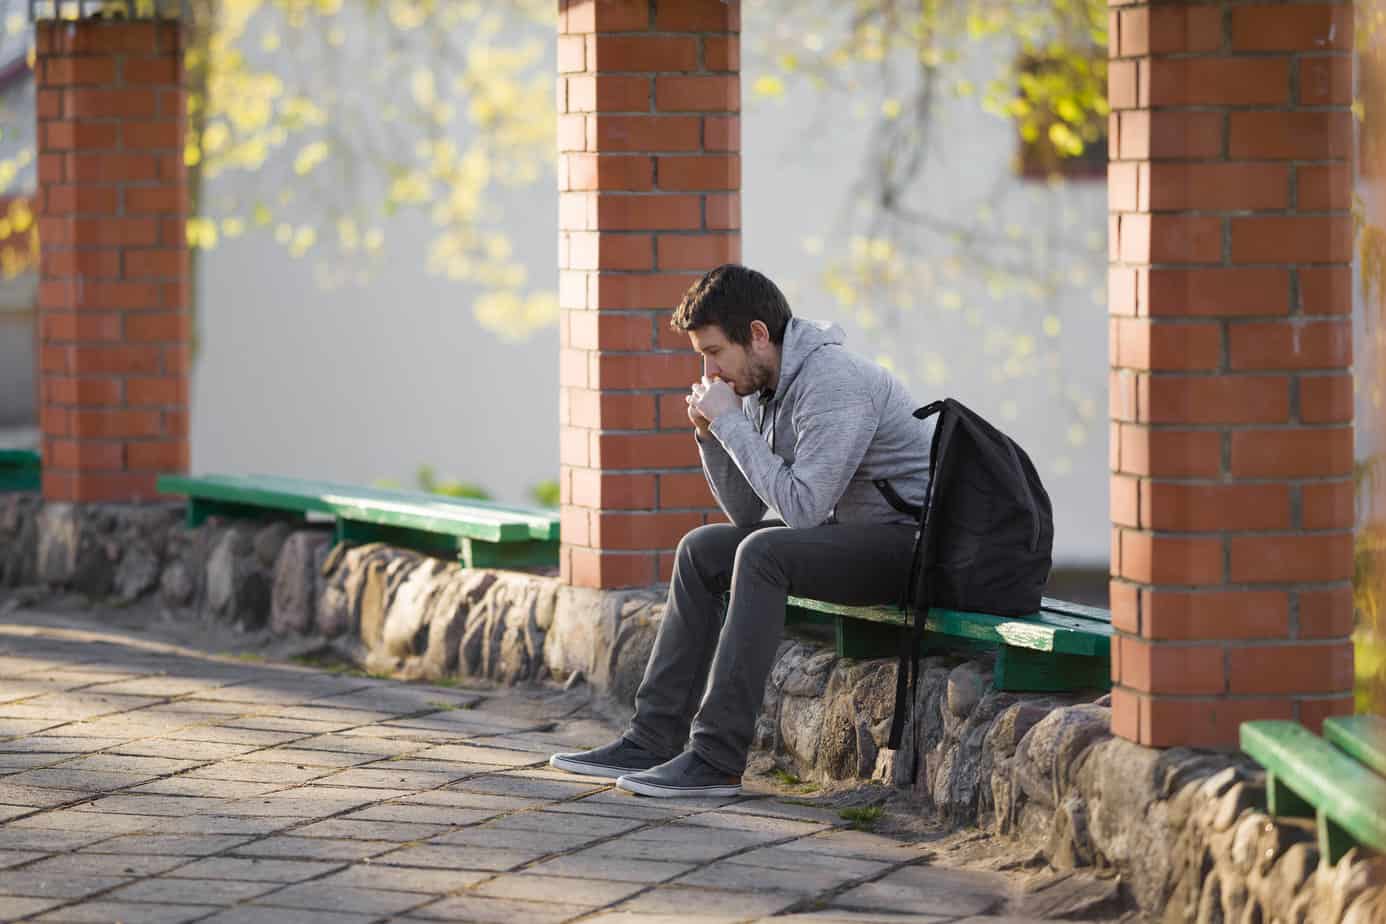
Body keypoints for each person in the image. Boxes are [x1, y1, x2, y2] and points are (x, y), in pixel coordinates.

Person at [549, 264, 934, 797]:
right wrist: (712, 435)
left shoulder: (834, 382)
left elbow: (800, 511)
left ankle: (715, 757)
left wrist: (731, 424)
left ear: (757, 335)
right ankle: (652, 737)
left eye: (713, 352)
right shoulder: (763, 386)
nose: (709, 371)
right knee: (704, 548)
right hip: (850, 536)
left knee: (762, 555)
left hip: (909, 547)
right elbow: (747, 513)